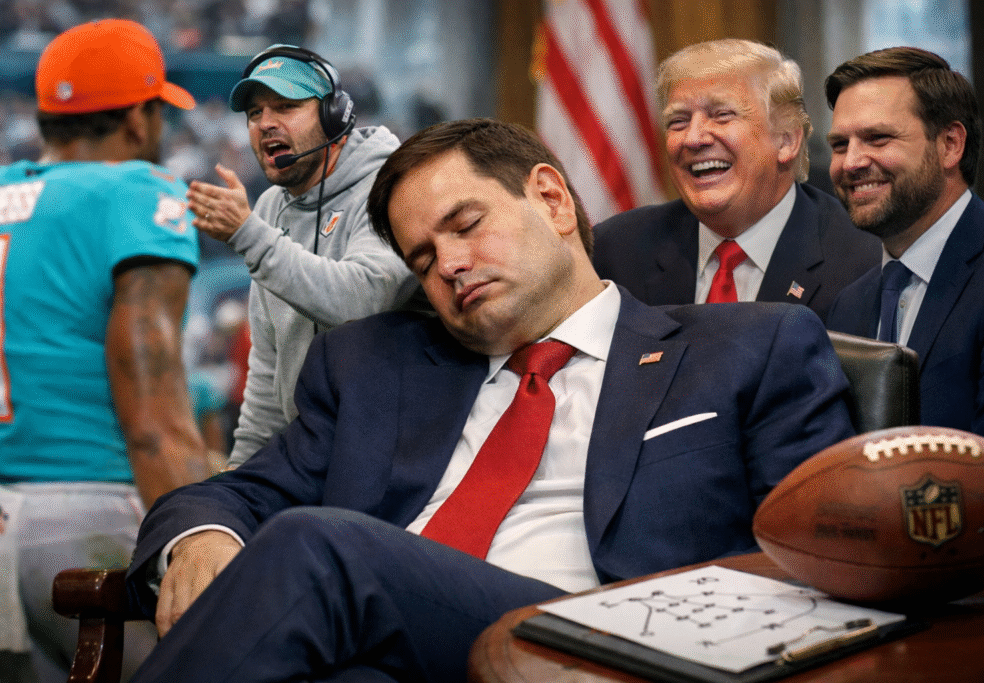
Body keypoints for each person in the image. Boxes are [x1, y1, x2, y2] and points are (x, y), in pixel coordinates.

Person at [124, 118, 855, 683]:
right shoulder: (372, 366)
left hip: (619, 647)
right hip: (399, 649)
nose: (448, 265)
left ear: (551, 197)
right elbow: (233, 495)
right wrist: (202, 537)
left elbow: (819, 566)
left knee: (317, 545)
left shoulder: (750, 347)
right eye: (421, 258)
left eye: (465, 225)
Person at [0, 19, 214, 683]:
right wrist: (203, 540)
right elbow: (155, 422)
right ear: (137, 118)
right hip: (81, 522)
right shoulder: (139, 193)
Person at [185, 44, 421, 466]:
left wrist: (248, 235)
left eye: (286, 106)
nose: (265, 124)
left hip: (399, 458)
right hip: (312, 457)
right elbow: (267, 375)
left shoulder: (389, 187)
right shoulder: (270, 208)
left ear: (336, 115)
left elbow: (362, 300)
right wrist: (241, 480)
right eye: (255, 113)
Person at [592, 38, 879, 323]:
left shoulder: (864, 262)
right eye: (678, 121)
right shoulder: (617, 250)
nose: (693, 138)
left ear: (786, 141)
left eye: (722, 115)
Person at [824, 47, 984, 435]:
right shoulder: (850, 304)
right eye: (840, 144)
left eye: (877, 138)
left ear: (950, 144)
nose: (851, 163)